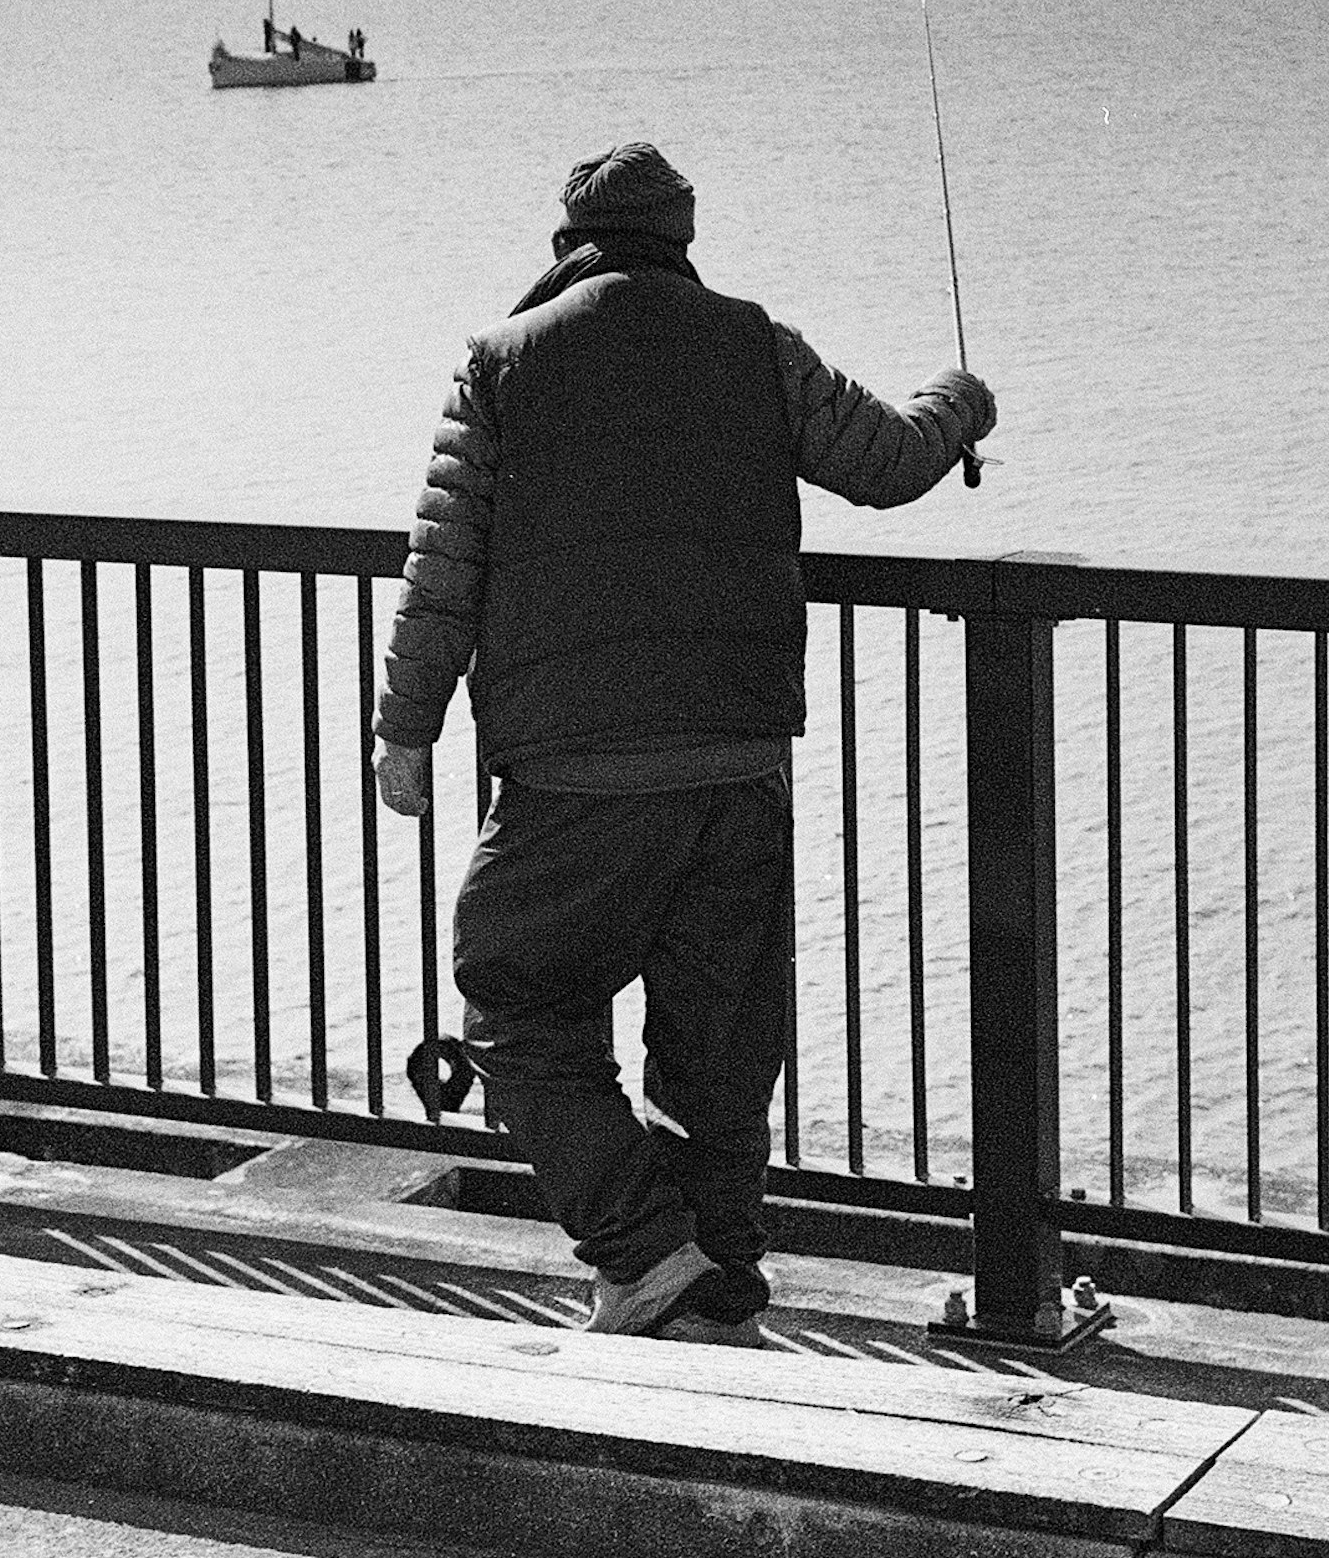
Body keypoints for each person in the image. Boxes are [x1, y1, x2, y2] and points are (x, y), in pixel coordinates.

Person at [370, 142, 993, 1336]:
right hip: (735, 763)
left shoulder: (504, 362)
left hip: (576, 771)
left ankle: (650, 1253)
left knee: (513, 1002)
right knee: (717, 1055)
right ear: (684, 234)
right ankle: (723, 1290)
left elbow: (441, 570)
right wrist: (959, 397)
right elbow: (892, 463)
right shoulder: (754, 342)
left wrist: (408, 729)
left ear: (569, 240)